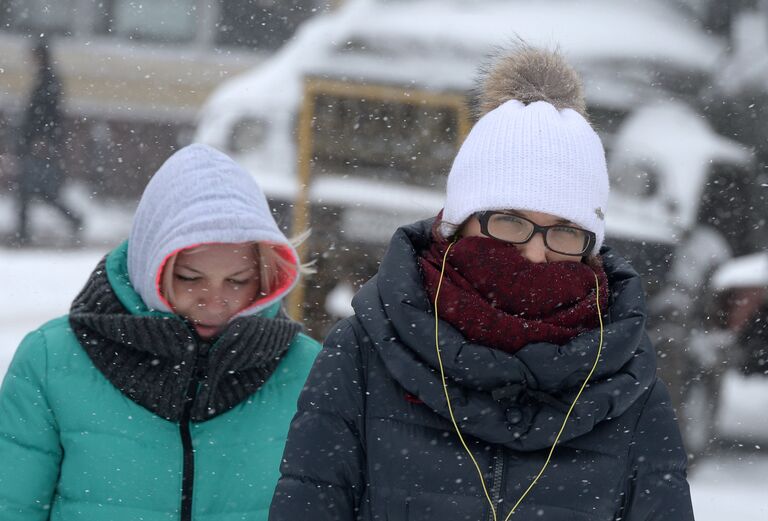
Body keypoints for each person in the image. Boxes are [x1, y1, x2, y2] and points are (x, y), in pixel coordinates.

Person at [269, 47, 694, 521]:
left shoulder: (630, 386)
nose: (536, 254)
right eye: (510, 221)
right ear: (459, 224)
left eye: (566, 231)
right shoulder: (363, 355)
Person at [0, 144, 321, 520]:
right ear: (149, 267)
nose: (214, 300)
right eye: (189, 278)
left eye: (238, 281)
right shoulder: (52, 361)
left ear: (267, 275)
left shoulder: (307, 372)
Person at [14, 36, 82, 245]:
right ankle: (24, 230)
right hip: (38, 142)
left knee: (34, 189)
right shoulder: (45, 78)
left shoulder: (48, 80)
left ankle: (24, 232)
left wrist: (42, 138)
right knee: (35, 190)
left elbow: (47, 114)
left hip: (40, 144)